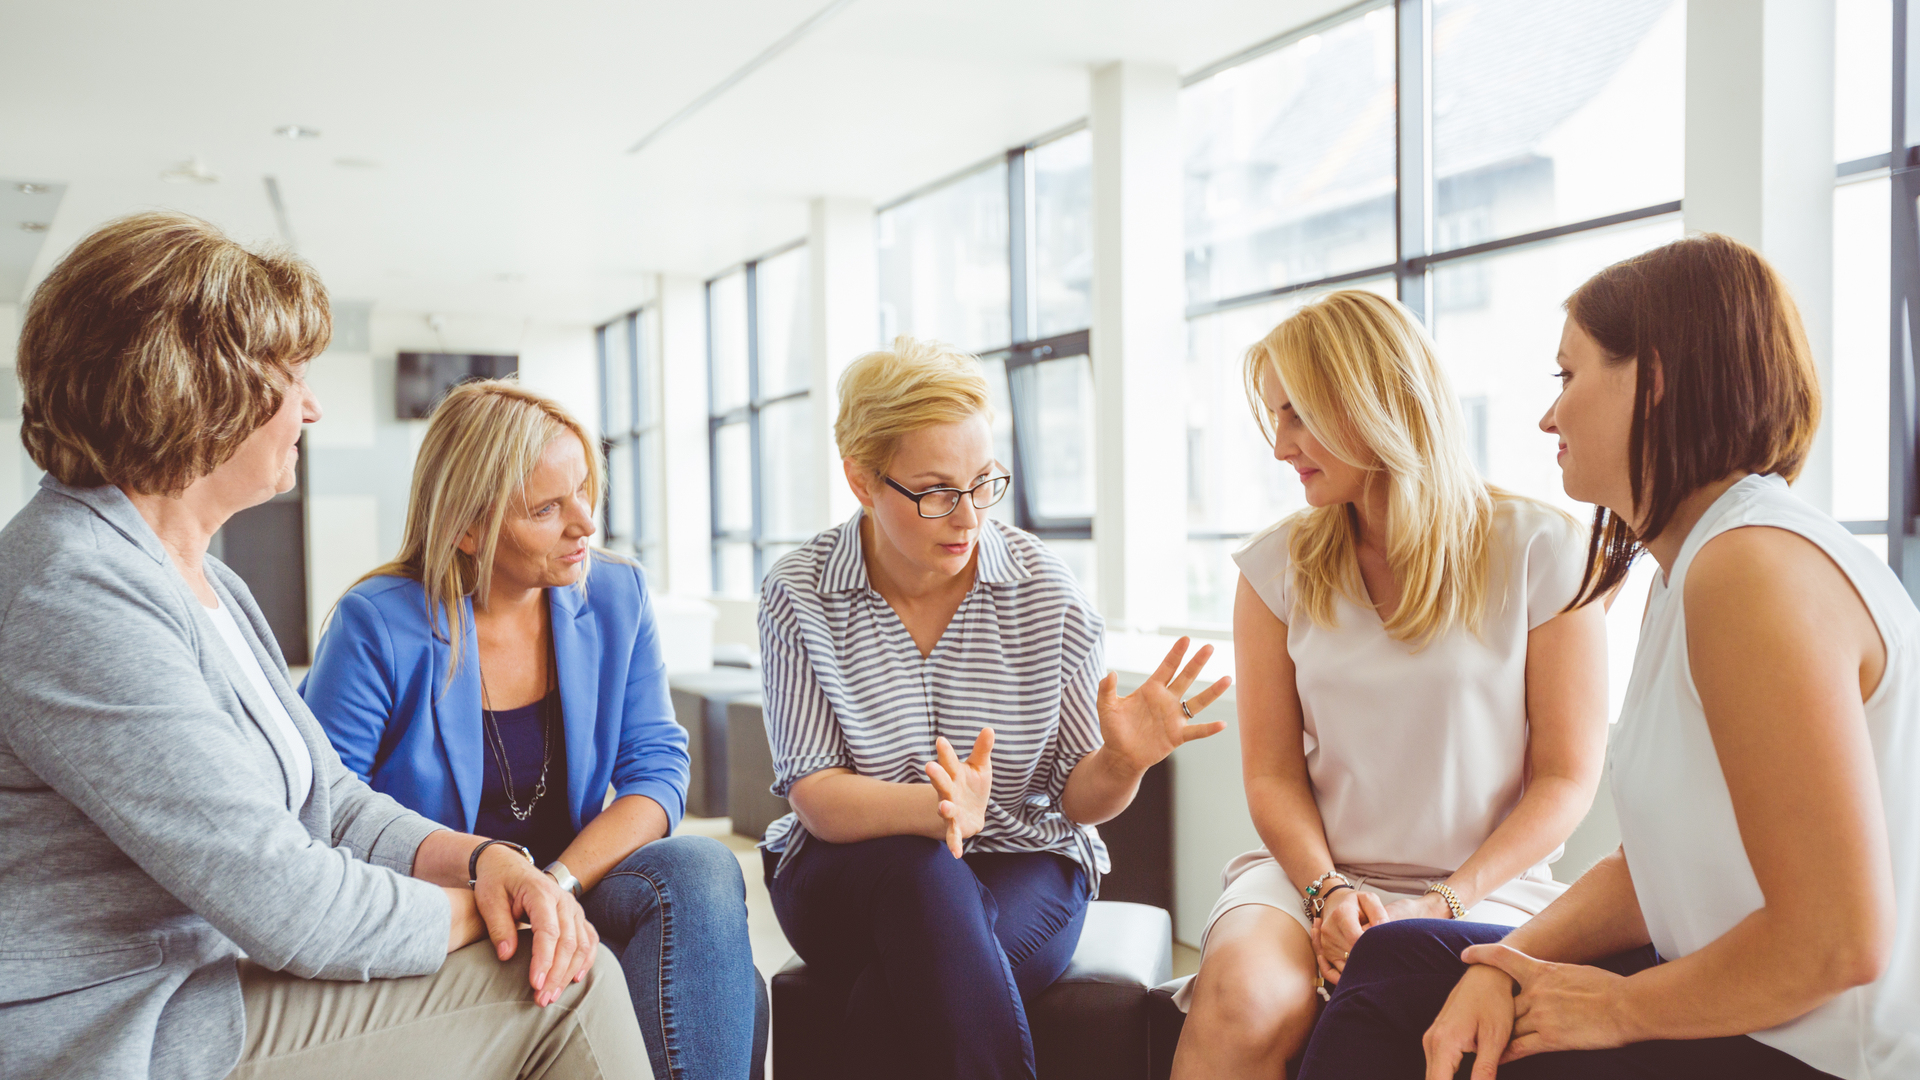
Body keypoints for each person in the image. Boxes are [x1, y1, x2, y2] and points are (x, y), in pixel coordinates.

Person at [0, 212, 646, 1080]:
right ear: (195, 385)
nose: (310, 406)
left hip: (204, 984)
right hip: (121, 1028)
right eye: (291, 375)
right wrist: (501, 908)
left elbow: (333, 804)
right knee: (563, 986)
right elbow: (291, 904)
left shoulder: (203, 581)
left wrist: (490, 861)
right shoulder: (74, 591)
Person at [1296, 234, 1919, 1080]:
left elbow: (1837, 942)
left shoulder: (1751, 570)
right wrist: (1503, 966)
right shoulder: (1690, 566)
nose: (1549, 416)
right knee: (1400, 963)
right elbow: (1662, 866)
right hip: (1740, 998)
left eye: (1568, 375)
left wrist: (1616, 1010)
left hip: (1811, 1049)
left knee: (1465, 1043)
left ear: (1652, 379)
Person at [757, 336, 1230, 1080]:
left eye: (984, 483)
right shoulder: (799, 592)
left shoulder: (1046, 591)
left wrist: (1122, 762)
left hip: (1024, 859)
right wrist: (937, 811)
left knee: (895, 998)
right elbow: (816, 795)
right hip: (847, 869)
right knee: (923, 871)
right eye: (937, 491)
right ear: (860, 480)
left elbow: (1078, 799)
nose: (967, 516)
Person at [1172, 290, 1611, 1076]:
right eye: (1274, 418)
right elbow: (1272, 773)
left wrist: (1439, 904)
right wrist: (1326, 893)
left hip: (1484, 888)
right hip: (1311, 877)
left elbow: (1568, 779)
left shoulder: (1545, 550)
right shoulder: (1272, 569)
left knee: (1423, 1012)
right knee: (1243, 998)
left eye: (1297, 415)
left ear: (1372, 404)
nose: (1280, 446)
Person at [302, 378, 765, 1080]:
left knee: (700, 868)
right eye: (546, 509)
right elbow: (325, 812)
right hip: (450, 906)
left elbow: (658, 766)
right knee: (736, 999)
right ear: (467, 527)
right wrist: (498, 886)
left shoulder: (616, 594)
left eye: (584, 489)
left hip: (573, 883)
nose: (584, 522)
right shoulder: (378, 624)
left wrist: (553, 884)